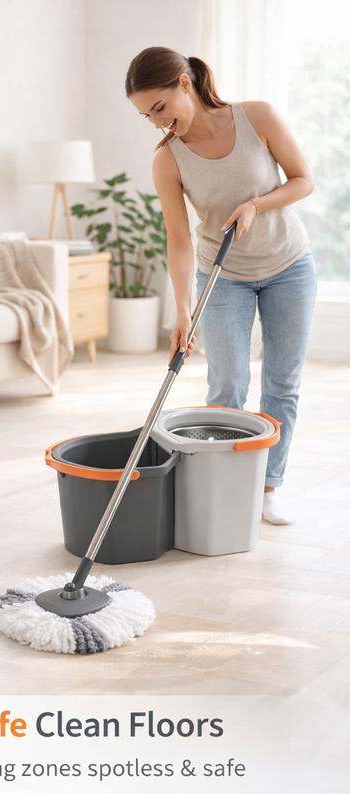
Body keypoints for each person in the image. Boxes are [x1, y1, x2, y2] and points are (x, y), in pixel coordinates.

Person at [126, 47, 317, 525]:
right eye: (146, 115)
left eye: (160, 108)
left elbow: (303, 180)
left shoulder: (257, 117)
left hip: (289, 265)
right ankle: (227, 488)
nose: (156, 122)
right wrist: (184, 310)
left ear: (184, 84)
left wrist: (257, 204)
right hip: (224, 275)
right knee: (227, 384)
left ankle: (269, 486)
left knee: (282, 384)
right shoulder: (168, 160)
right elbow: (178, 241)